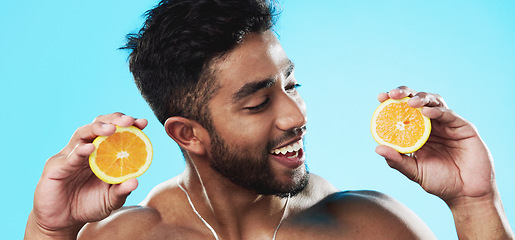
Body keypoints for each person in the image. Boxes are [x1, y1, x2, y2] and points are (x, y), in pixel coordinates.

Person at [25, 0, 513, 239]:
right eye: (258, 103)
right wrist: (49, 233)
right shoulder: (126, 239)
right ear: (188, 134)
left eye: (291, 84)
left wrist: (476, 203)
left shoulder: (366, 225)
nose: (295, 114)